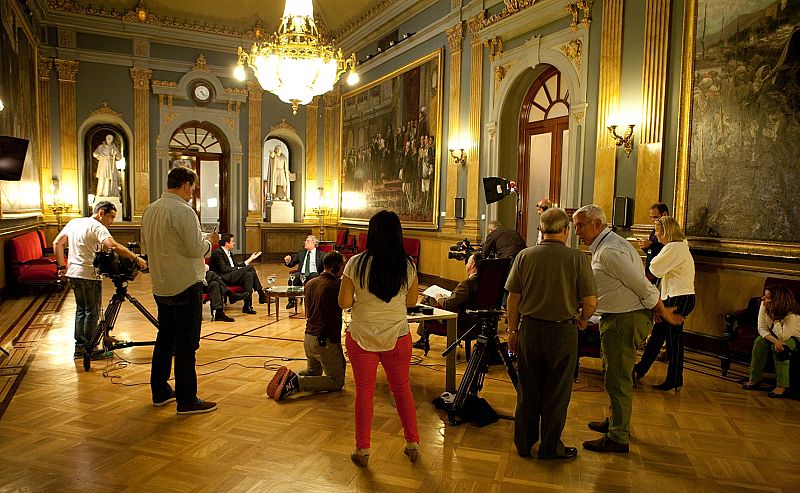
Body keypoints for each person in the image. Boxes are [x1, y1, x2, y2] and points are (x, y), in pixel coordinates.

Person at [572, 205, 683, 453]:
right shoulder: (610, 244)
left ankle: (618, 436)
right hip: (619, 316)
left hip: (624, 319)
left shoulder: (610, 251)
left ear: (597, 225)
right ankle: (615, 422)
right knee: (613, 374)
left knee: (618, 379)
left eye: (580, 225)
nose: (576, 230)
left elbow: (641, 283)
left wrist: (661, 310)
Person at [506, 208, 597, 460]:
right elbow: (590, 301)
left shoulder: (525, 256)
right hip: (562, 332)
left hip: (530, 330)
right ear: (566, 231)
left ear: (541, 229)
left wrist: (512, 330)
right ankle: (550, 447)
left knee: (528, 390)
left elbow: (513, 298)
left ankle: (523, 443)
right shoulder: (578, 259)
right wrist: (582, 321)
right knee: (557, 393)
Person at [338, 210, 420, 467]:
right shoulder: (407, 265)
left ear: (371, 233)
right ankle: (412, 443)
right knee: (402, 389)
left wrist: (360, 298)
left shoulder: (356, 263)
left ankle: (362, 449)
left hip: (362, 335)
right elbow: (411, 301)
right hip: (397, 335)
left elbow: (343, 303)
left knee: (364, 393)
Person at [141, 166, 220, 415]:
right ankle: (187, 399)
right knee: (186, 345)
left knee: (164, 339)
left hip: (161, 284)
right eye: (192, 188)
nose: (192, 193)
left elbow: (155, 245)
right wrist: (211, 243)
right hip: (186, 285)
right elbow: (194, 249)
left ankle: (160, 391)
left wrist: (199, 240)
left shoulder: (150, 210)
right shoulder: (184, 211)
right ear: (185, 185)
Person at [53, 201, 147, 359]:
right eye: (111, 217)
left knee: (81, 310)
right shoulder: (97, 227)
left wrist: (62, 267)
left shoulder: (74, 222)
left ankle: (80, 347)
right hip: (89, 274)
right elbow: (113, 246)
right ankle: (91, 348)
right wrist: (136, 258)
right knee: (92, 311)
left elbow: (57, 243)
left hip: (73, 273)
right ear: (101, 213)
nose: (112, 221)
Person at [268, 251, 346, 401]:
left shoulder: (310, 283)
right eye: (342, 267)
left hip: (308, 338)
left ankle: (287, 378)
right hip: (325, 341)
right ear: (337, 267)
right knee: (337, 381)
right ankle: (297, 382)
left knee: (313, 371)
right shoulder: (336, 285)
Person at [633, 217, 696, 391]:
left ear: (665, 232)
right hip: (676, 296)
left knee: (673, 340)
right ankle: (641, 369)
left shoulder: (674, 248)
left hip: (680, 298)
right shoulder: (677, 247)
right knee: (658, 336)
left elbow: (654, 268)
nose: (656, 236)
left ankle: (675, 379)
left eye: (657, 232)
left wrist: (652, 252)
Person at [412, 251, 482, 353]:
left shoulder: (467, 283)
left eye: (467, 262)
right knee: (430, 299)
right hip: (471, 318)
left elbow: (447, 304)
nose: (466, 264)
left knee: (429, 298)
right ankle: (422, 327)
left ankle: (422, 325)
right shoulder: (482, 280)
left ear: (473, 265)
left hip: (458, 318)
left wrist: (439, 298)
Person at [742, 284, 800, 398]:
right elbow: (761, 328)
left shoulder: (792, 314)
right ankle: (755, 379)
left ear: (777, 301)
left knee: (780, 349)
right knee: (759, 342)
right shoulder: (764, 305)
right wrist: (775, 341)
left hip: (794, 338)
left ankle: (782, 386)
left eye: (767, 297)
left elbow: (784, 337)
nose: (763, 298)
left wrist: (776, 320)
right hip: (774, 336)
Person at [209, 233, 266, 315]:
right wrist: (239, 269)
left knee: (248, 275)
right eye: (232, 241)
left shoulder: (230, 253)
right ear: (226, 243)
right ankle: (261, 294)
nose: (234, 243)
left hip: (232, 276)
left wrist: (250, 259)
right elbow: (223, 269)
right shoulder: (217, 253)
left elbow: (236, 266)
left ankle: (247, 306)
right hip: (224, 278)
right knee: (250, 268)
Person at [283, 235, 325, 309]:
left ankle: (313, 302)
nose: (305, 243)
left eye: (308, 241)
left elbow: (325, 266)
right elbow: (292, 264)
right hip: (302, 274)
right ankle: (291, 301)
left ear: (314, 243)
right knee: (294, 276)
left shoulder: (321, 254)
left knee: (314, 276)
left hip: (314, 274)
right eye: (305, 241)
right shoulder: (301, 253)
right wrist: (288, 261)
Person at [638, 202, 669, 284]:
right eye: (651, 217)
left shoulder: (670, 232)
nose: (652, 220)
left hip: (660, 272)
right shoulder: (654, 231)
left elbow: (666, 250)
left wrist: (651, 245)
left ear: (664, 214)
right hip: (650, 270)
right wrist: (645, 247)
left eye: (655, 217)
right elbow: (651, 252)